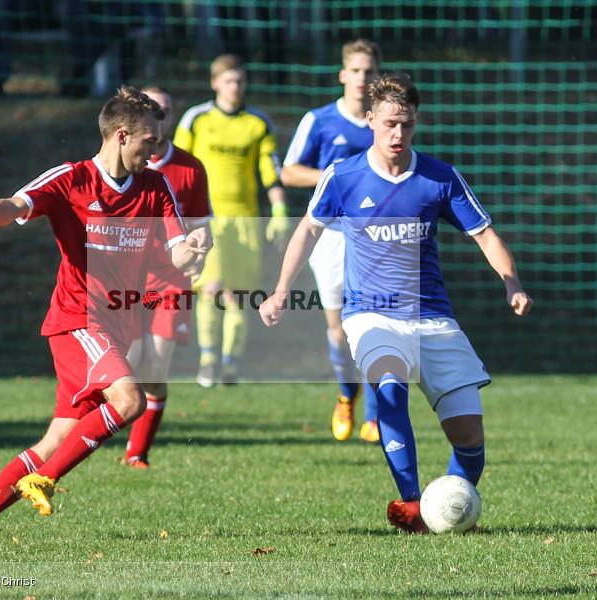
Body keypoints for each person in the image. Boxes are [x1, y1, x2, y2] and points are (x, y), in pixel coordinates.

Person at [259, 74, 532, 532]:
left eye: (405, 124)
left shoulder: (439, 177)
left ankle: (450, 509)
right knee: (389, 386)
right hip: (371, 314)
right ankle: (411, 504)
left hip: (433, 318)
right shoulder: (343, 176)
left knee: (469, 437)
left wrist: (512, 283)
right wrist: (281, 288)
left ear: (416, 122)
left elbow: (483, 233)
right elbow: (308, 230)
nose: (397, 134)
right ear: (370, 120)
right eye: (388, 124)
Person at [0, 86, 207, 537]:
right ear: (122, 136)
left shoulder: (156, 185)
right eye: (151, 140)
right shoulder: (72, 179)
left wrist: (194, 251)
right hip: (79, 320)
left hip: (116, 325)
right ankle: (44, 479)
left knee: (58, 438)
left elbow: (178, 250)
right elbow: (16, 204)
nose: (157, 148)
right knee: (130, 400)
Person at [281, 39, 382, 444]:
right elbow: (288, 172)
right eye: (355, 70)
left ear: (378, 75)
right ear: (343, 75)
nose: (362, 78)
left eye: (369, 71)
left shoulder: (385, 122)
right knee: (338, 330)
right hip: (332, 237)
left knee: (377, 323)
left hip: (377, 238)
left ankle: (375, 415)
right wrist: (335, 177)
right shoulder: (320, 120)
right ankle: (346, 394)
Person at [174, 54, 288, 387]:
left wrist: (279, 210)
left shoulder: (257, 122)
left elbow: (271, 169)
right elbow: (178, 169)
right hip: (206, 218)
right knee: (210, 288)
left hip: (245, 220)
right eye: (229, 81)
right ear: (215, 83)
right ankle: (208, 359)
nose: (235, 87)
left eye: (240, 80)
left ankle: (230, 366)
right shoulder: (196, 119)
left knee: (239, 294)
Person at [123, 85, 212, 469]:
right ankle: (85, 431)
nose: (160, 117)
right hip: (125, 281)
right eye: (152, 110)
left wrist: (198, 247)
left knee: (155, 368)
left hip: (169, 281)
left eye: (166, 110)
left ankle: (137, 452)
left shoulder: (190, 168)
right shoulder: (120, 167)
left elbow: (202, 226)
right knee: (129, 361)